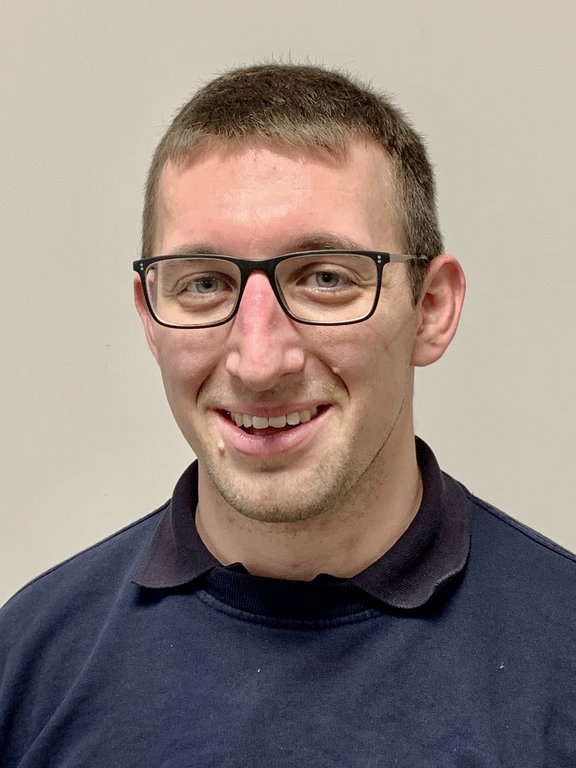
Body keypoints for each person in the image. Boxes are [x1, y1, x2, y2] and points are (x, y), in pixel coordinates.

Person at [1, 63, 574, 767]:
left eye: (325, 278)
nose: (259, 361)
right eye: (203, 284)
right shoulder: (26, 669)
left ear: (430, 309)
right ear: (150, 319)